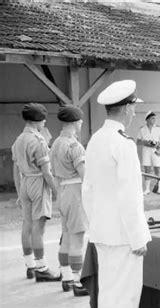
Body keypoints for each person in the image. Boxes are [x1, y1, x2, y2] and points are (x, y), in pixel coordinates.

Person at [82, 80, 155, 308]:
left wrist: (96, 223)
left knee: (110, 292)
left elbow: (87, 190)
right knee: (124, 294)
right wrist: (139, 238)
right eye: (133, 108)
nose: (135, 113)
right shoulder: (123, 144)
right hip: (124, 234)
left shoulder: (96, 139)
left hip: (102, 231)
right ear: (125, 109)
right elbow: (129, 197)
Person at [12, 103, 61, 282]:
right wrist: (57, 192)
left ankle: (30, 266)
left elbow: (15, 170)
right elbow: (47, 172)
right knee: (38, 228)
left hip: (25, 181)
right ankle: (42, 268)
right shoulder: (38, 140)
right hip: (38, 181)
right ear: (38, 121)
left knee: (26, 225)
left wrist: (19, 192)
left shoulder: (18, 140)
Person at [50, 105, 89, 296]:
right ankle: (77, 282)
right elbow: (85, 176)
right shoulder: (75, 146)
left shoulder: (56, 143)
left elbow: (53, 172)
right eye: (80, 120)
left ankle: (66, 278)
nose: (81, 123)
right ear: (74, 122)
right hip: (75, 191)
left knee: (66, 236)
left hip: (62, 190)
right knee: (77, 238)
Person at [137, 111, 160, 195]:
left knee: (157, 169)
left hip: (156, 150)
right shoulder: (142, 129)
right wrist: (145, 142)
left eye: (154, 118)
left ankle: (159, 188)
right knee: (147, 169)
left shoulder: (158, 128)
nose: (154, 120)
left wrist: (159, 146)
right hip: (146, 150)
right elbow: (137, 142)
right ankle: (147, 189)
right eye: (152, 118)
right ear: (147, 119)